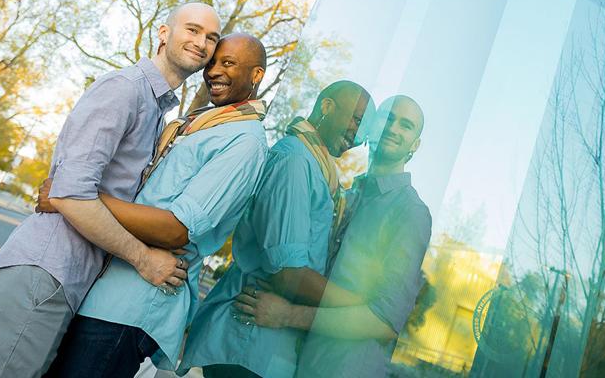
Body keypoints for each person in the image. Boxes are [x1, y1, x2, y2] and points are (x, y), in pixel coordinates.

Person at [0, 2, 221, 378]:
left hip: (66, 283)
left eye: (211, 37)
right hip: (44, 274)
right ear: (163, 33)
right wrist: (144, 259)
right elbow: (70, 193)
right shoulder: (124, 89)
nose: (202, 42)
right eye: (192, 30)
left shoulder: (155, 108)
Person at [43, 33, 271, 378]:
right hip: (105, 289)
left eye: (229, 63)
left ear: (256, 75)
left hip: (133, 303)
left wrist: (76, 196)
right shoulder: (202, 124)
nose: (214, 72)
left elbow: (176, 229)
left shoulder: (245, 142)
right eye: (212, 63)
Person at [178, 81, 373, 378]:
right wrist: (362, 307)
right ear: (327, 106)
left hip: (266, 348)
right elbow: (287, 274)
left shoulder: (320, 170)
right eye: (357, 119)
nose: (359, 135)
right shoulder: (295, 161)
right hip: (247, 343)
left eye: (365, 128)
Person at [235, 95, 432, 378]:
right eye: (387, 118)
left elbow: (385, 321)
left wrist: (288, 315)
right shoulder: (348, 193)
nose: (393, 128)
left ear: (415, 145)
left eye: (406, 126)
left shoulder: (410, 212)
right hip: (296, 362)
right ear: (371, 127)